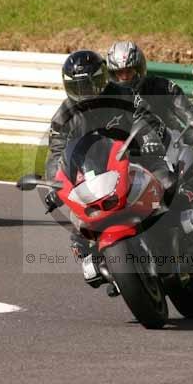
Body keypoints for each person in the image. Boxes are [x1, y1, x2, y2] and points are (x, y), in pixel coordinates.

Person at [45, 49, 168, 270]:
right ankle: (105, 266)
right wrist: (55, 184)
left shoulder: (123, 94)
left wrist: (149, 138)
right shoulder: (63, 117)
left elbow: (145, 117)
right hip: (96, 174)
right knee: (80, 226)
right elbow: (56, 153)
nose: (83, 92)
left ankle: (189, 239)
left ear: (101, 79)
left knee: (167, 184)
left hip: (137, 158)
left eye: (88, 85)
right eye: (77, 87)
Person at [106, 41, 193, 221]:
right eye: (120, 73)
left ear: (139, 69)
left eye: (129, 71)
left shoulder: (162, 87)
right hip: (132, 153)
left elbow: (189, 113)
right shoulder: (109, 98)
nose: (125, 77)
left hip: (173, 143)